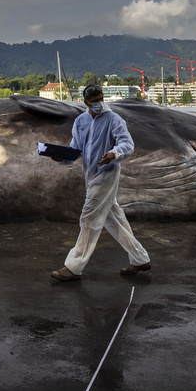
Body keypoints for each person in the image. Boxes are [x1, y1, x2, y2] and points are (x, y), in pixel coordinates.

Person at [51, 84, 151, 281]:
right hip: (90, 174)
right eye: (94, 101)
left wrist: (114, 154)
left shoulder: (114, 119)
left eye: (100, 99)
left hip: (107, 173)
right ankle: (140, 259)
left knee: (89, 218)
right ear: (86, 102)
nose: (98, 103)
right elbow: (75, 150)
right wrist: (60, 156)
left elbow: (127, 144)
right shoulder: (80, 121)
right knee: (113, 218)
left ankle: (74, 266)